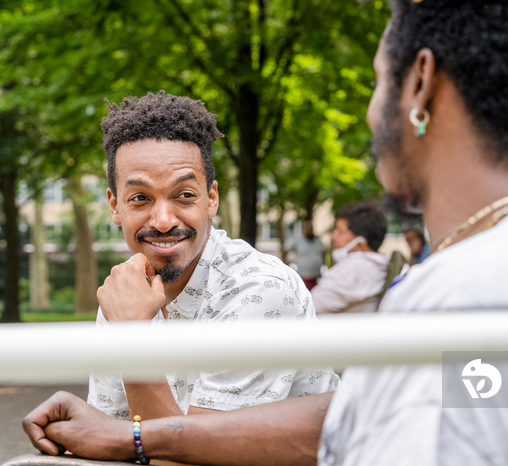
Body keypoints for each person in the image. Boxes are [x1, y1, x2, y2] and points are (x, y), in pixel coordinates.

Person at [23, 1, 508, 464]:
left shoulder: (468, 298)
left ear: (418, 84)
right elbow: (345, 415)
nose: (372, 111)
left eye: (376, 81)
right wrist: (134, 434)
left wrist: (136, 382)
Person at [87, 91, 338, 421]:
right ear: (115, 205)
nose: (163, 221)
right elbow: (107, 430)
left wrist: (132, 338)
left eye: (185, 195)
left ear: (211, 199)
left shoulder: (259, 290)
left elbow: (193, 454)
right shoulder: (124, 294)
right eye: (140, 198)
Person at [312, 201, 390, 314]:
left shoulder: (356, 268)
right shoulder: (376, 265)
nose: (334, 237)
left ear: (360, 244)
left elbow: (309, 307)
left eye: (340, 231)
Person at [284, 219, 326, 290]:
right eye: (308, 228)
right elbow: (285, 249)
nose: (309, 230)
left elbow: (323, 253)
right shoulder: (298, 240)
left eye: (311, 228)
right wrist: (285, 264)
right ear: (304, 229)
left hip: (316, 275)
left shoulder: (318, 241)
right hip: (303, 275)